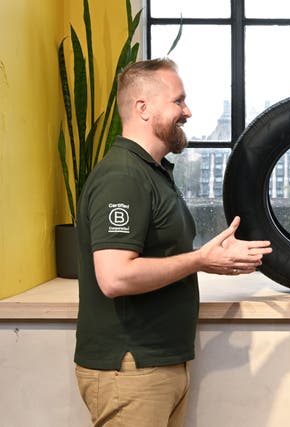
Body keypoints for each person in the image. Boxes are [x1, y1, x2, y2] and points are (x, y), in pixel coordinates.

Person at [74, 58, 272, 427]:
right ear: (142, 108)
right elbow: (115, 277)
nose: (188, 112)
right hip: (130, 370)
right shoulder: (123, 177)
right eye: (178, 101)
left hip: (154, 366)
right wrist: (199, 260)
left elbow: (154, 256)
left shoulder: (152, 174)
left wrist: (209, 256)